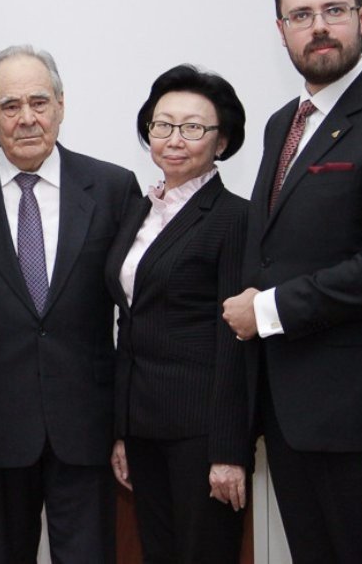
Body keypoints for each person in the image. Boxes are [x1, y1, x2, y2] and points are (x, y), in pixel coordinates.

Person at [223, 0, 362, 562]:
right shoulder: (282, 123)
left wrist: (267, 310)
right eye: (301, 15)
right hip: (288, 418)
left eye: (333, 10)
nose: (318, 26)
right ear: (282, 30)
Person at [0, 45, 140, 564]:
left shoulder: (111, 188)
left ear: (61, 104)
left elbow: (133, 315)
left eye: (39, 102)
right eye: (10, 105)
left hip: (86, 424)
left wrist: (125, 423)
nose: (27, 118)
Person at [106, 65, 250, 563]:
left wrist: (229, 452)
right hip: (142, 426)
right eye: (162, 125)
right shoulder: (139, 212)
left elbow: (235, 340)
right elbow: (129, 320)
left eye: (192, 127)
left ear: (221, 140)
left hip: (201, 433)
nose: (174, 139)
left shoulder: (234, 218)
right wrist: (121, 429)